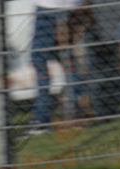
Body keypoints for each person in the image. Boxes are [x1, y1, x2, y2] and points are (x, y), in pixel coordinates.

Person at [28, 0, 82, 134]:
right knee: (67, 61)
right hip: (70, 7)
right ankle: (74, 114)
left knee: (40, 60)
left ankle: (41, 119)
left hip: (49, 7)